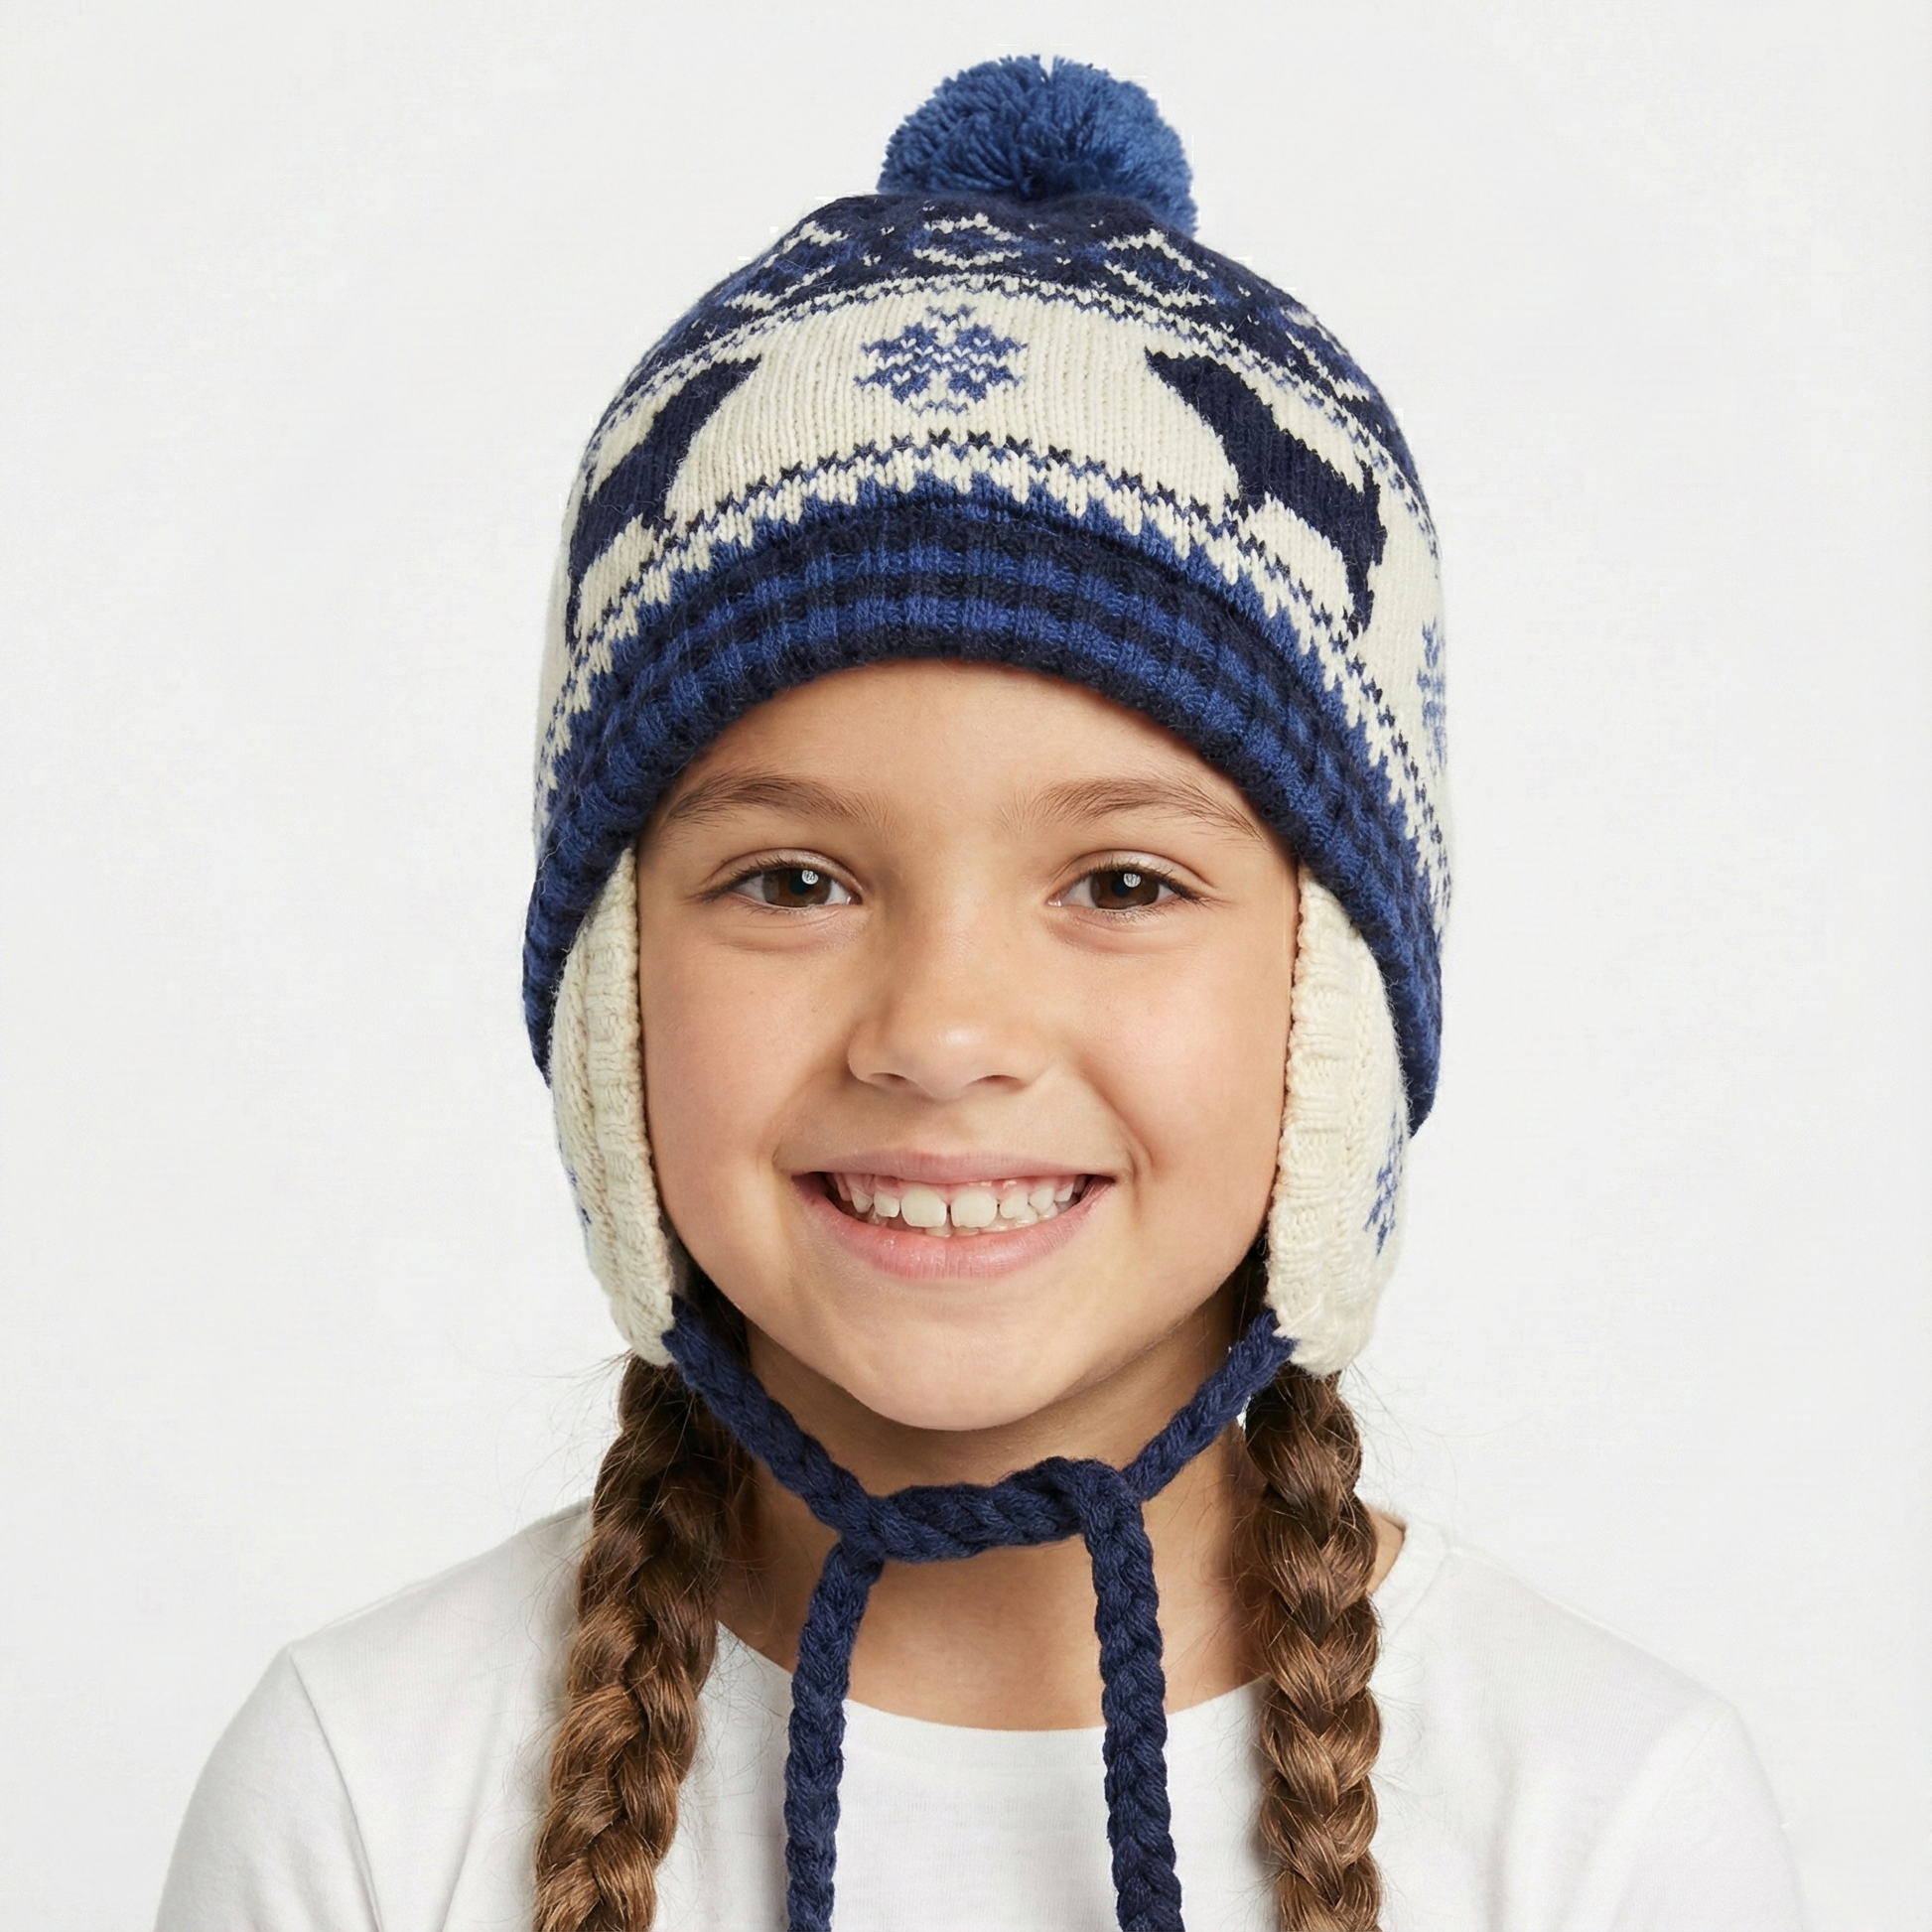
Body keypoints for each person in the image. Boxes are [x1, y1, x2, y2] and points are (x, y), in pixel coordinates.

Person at [156, 56, 1809, 1932]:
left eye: (1122, 884)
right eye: (791, 881)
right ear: (610, 1006)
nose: (940, 1035)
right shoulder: (365, 1796)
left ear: (1331, 1012)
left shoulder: (1603, 1827)